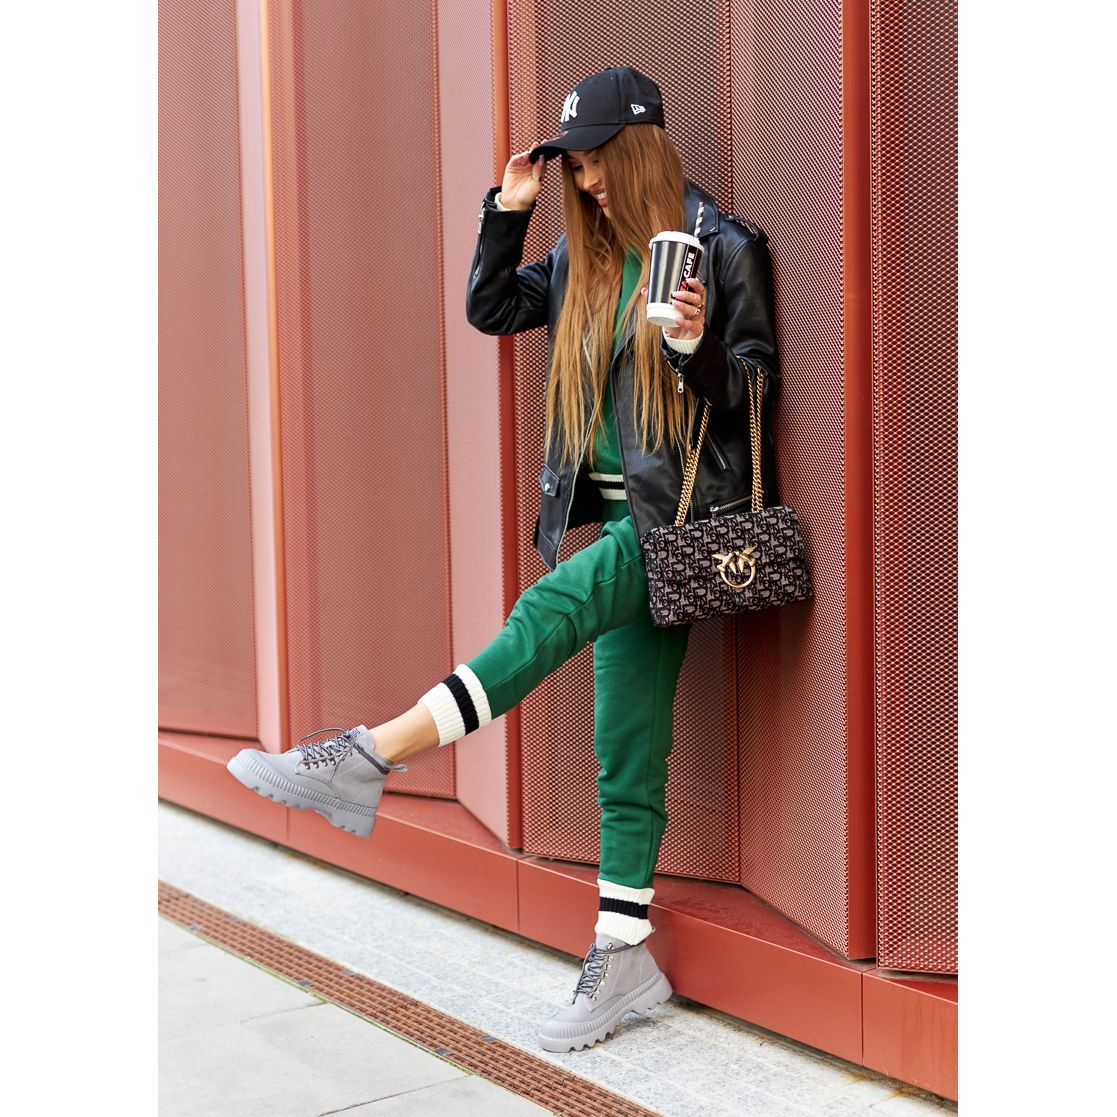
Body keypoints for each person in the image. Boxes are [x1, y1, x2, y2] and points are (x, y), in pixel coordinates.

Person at [227, 65, 780, 1053]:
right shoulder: (580, 255)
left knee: (544, 616)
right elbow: (491, 308)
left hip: (677, 526)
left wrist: (693, 345)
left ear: (641, 149)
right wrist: (508, 210)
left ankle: (369, 755)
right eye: (575, 164)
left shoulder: (723, 245)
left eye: (599, 158)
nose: (588, 178)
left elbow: (756, 388)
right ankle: (625, 956)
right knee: (626, 748)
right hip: (617, 527)